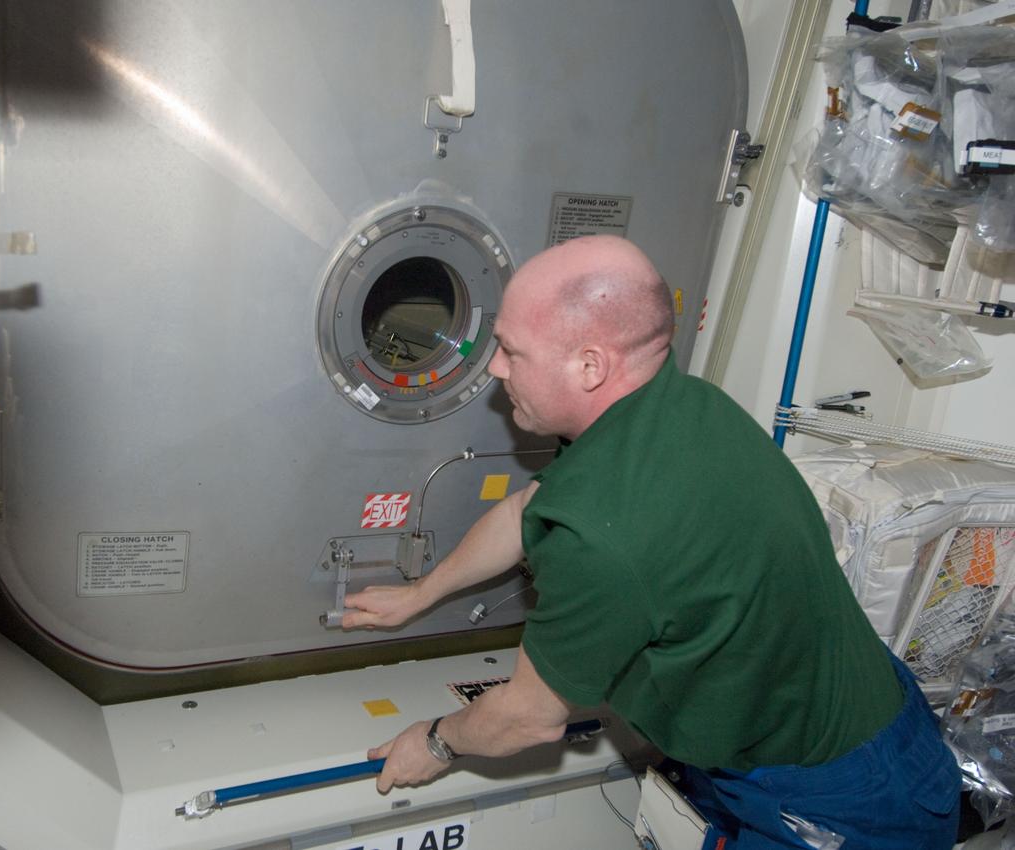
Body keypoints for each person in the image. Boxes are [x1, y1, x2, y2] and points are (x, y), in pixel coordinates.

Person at [342, 235, 961, 849]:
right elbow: (523, 513)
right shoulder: (683, 403)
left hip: (835, 798)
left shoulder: (599, 533)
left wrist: (435, 742)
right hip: (834, 721)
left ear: (590, 367)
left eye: (511, 351)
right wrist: (420, 594)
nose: (495, 368)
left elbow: (527, 720)